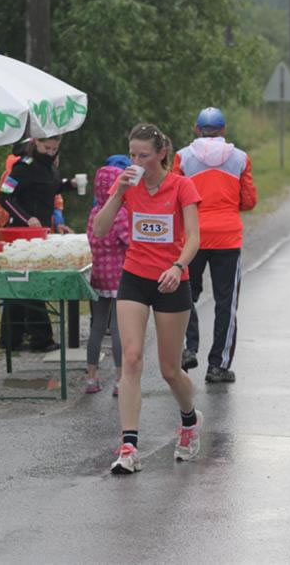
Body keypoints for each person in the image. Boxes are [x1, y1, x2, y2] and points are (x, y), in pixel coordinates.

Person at [92, 123, 203, 474]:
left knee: (170, 370)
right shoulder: (126, 183)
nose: (137, 162)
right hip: (135, 277)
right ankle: (129, 447)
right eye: (132, 155)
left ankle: (189, 420)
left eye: (144, 156)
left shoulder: (181, 186)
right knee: (132, 357)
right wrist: (118, 194)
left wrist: (178, 266)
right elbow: (100, 230)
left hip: (171, 280)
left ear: (161, 153)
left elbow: (194, 238)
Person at [174, 107, 257, 383]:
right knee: (226, 302)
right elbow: (249, 201)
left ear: (197, 129)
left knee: (185, 294)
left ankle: (188, 348)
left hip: (192, 236)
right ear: (224, 130)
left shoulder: (183, 157)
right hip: (227, 237)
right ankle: (218, 366)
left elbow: (174, 198)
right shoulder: (240, 158)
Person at [0, 137, 77, 352]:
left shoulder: (49, 167)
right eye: (46, 147)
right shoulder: (22, 167)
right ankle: (37, 338)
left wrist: (69, 185)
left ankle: (13, 338)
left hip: (41, 233)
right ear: (36, 143)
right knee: (26, 283)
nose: (50, 152)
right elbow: (4, 197)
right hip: (20, 233)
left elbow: (50, 189)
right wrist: (26, 217)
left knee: (26, 284)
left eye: (54, 149)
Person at [85, 162, 131, 396]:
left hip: (98, 276)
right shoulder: (119, 213)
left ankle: (91, 377)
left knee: (97, 327)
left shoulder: (95, 213)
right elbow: (130, 241)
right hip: (119, 277)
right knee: (118, 328)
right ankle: (120, 380)